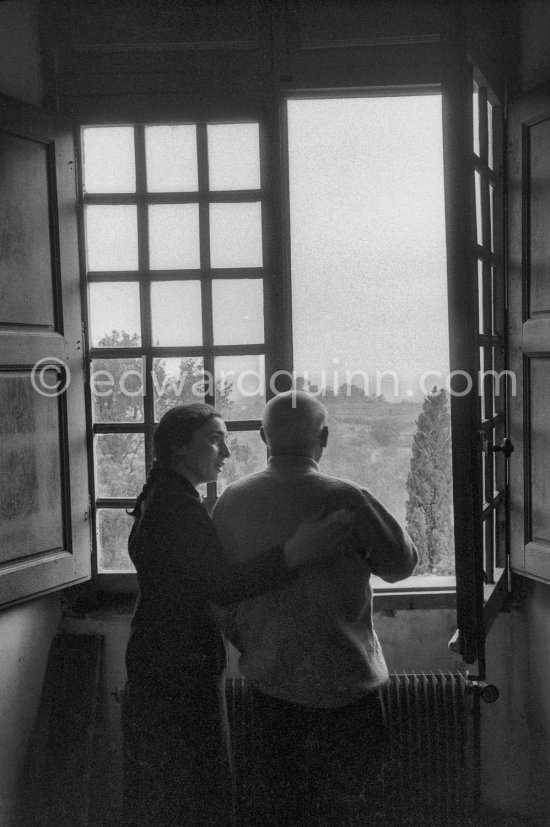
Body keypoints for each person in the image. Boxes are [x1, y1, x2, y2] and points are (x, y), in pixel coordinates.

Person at [121, 402, 352, 827]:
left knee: (172, 788)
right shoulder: (178, 509)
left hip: (161, 659)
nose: (225, 453)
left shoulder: (163, 496)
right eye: (214, 440)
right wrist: (295, 552)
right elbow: (222, 585)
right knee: (200, 790)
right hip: (177, 667)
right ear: (177, 447)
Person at [212, 391, 418, 826]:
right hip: (349, 684)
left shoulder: (232, 501)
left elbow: (217, 594)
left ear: (264, 436)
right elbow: (401, 565)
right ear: (323, 437)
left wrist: (249, 638)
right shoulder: (347, 498)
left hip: (271, 685)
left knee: (282, 810)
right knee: (353, 809)